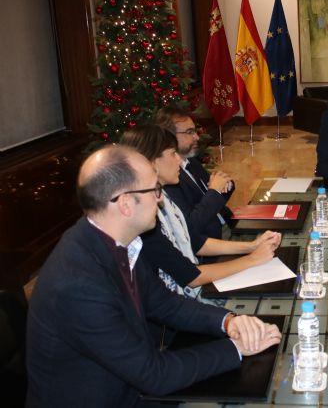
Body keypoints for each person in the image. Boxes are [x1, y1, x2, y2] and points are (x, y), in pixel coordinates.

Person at [26, 145, 282, 407]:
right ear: (125, 203)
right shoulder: (77, 285)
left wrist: (229, 322)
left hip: (129, 387)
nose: (161, 199)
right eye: (154, 190)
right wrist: (237, 348)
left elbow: (165, 303)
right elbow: (155, 375)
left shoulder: (114, 241)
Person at [119, 125, 281, 301]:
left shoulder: (164, 197)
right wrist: (252, 259)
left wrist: (251, 246)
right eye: (173, 154)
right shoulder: (143, 218)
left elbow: (195, 242)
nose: (180, 160)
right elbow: (191, 276)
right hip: (174, 309)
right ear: (151, 162)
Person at [155, 106, 234, 252]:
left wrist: (224, 184)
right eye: (189, 132)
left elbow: (215, 192)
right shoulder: (167, 179)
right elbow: (190, 226)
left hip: (229, 226)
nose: (197, 137)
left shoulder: (190, 161)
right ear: (169, 136)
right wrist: (215, 190)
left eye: (195, 131)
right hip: (211, 244)